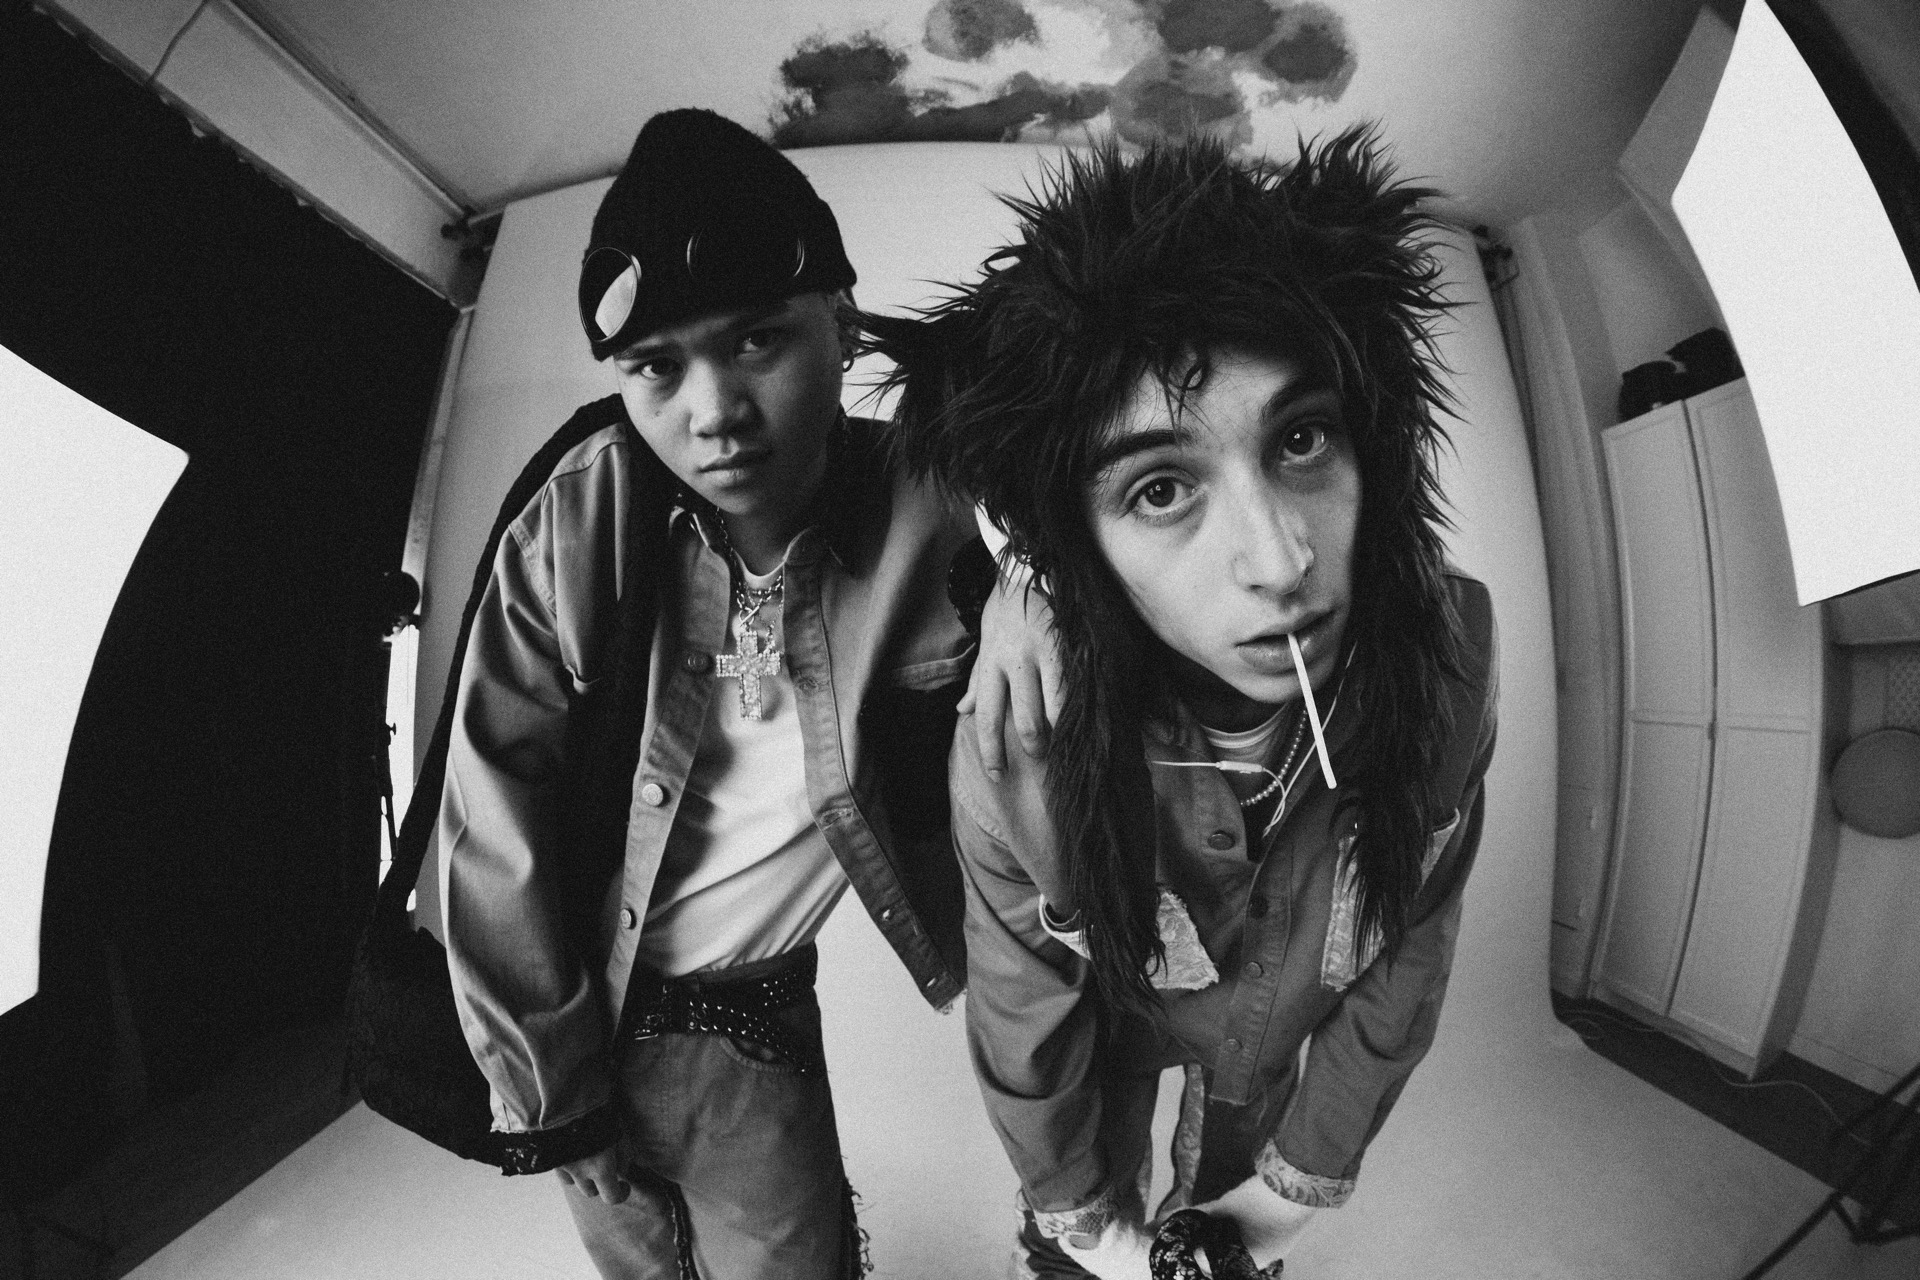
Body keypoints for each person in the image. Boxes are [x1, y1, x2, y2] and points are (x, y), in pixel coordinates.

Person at [863, 128, 1500, 1279]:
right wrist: (1089, 1228)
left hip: (1276, 1027)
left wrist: (1287, 1193)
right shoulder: (1019, 741)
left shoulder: (1448, 661)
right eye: (1162, 488)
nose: (1279, 559)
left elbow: (1411, 943)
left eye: (1301, 437)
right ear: (1066, 549)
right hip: (1115, 1015)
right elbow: (1027, 1015)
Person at [437, 108, 1044, 1280]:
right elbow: (490, 818)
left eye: (758, 339)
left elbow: (1099, 584)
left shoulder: (937, 501)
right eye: (657, 367)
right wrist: (555, 1101)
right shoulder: (578, 516)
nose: (713, 408)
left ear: (843, 325)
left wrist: (1033, 599)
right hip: (577, 1020)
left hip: (750, 1028)